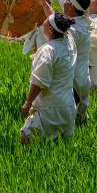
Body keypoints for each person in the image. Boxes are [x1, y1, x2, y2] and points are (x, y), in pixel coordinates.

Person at [43, 0, 92, 123]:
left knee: (72, 121)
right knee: (81, 120)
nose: (64, 1)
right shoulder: (79, 17)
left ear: (71, 7)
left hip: (75, 82)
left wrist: (42, 3)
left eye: (67, 2)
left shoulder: (75, 29)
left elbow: (55, 22)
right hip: (82, 79)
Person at [20, 12, 77, 144]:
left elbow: (39, 82)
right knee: (61, 145)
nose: (43, 21)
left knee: (27, 137)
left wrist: (28, 103)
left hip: (50, 107)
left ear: (50, 28)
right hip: (68, 106)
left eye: (45, 21)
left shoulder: (48, 50)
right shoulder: (69, 45)